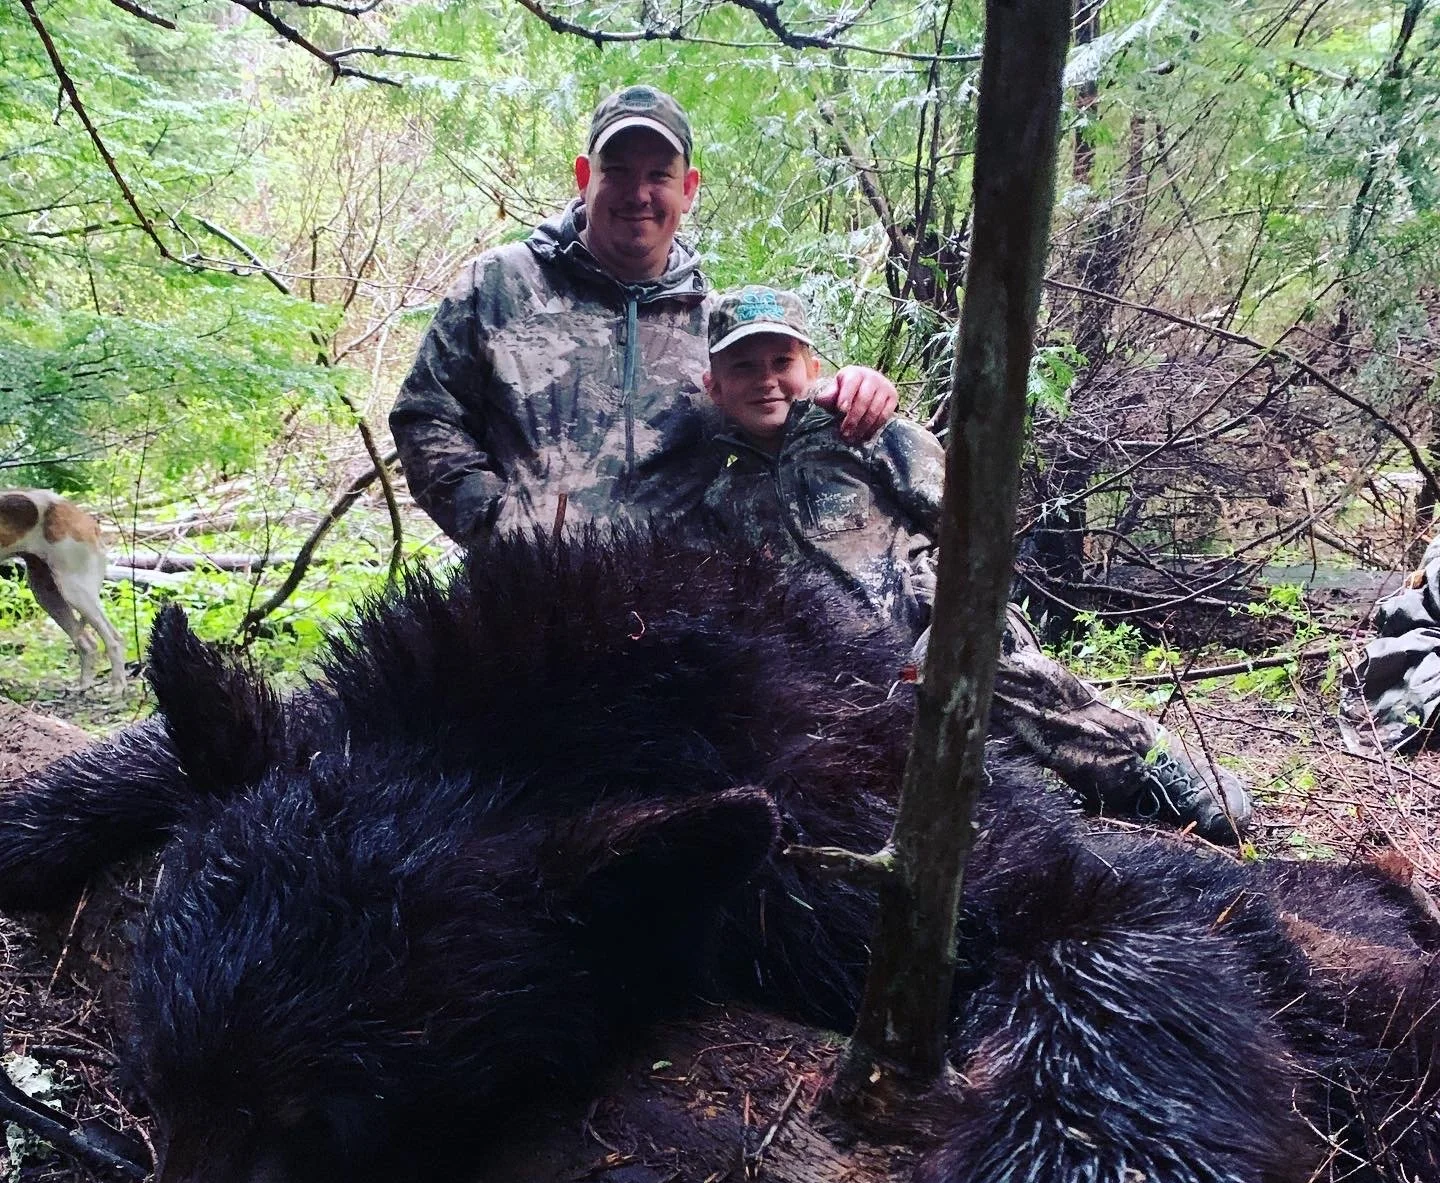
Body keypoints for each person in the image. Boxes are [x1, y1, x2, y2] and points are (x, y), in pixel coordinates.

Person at [691, 285, 1252, 844]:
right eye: (743, 366)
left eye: (781, 361)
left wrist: (954, 602)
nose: (766, 379)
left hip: (941, 627)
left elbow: (973, 522)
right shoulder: (720, 497)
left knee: (971, 671)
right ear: (715, 387)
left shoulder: (861, 433)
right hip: (858, 676)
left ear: (812, 365)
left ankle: (1154, 766)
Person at [389, 84, 897, 545]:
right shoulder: (500, 284)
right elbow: (426, 416)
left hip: (678, 610)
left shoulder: (719, 326)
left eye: (659, 175)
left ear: (689, 189)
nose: (638, 194)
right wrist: (500, 526)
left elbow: (778, 415)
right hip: (528, 606)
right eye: (618, 172)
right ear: (585, 177)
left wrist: (854, 390)